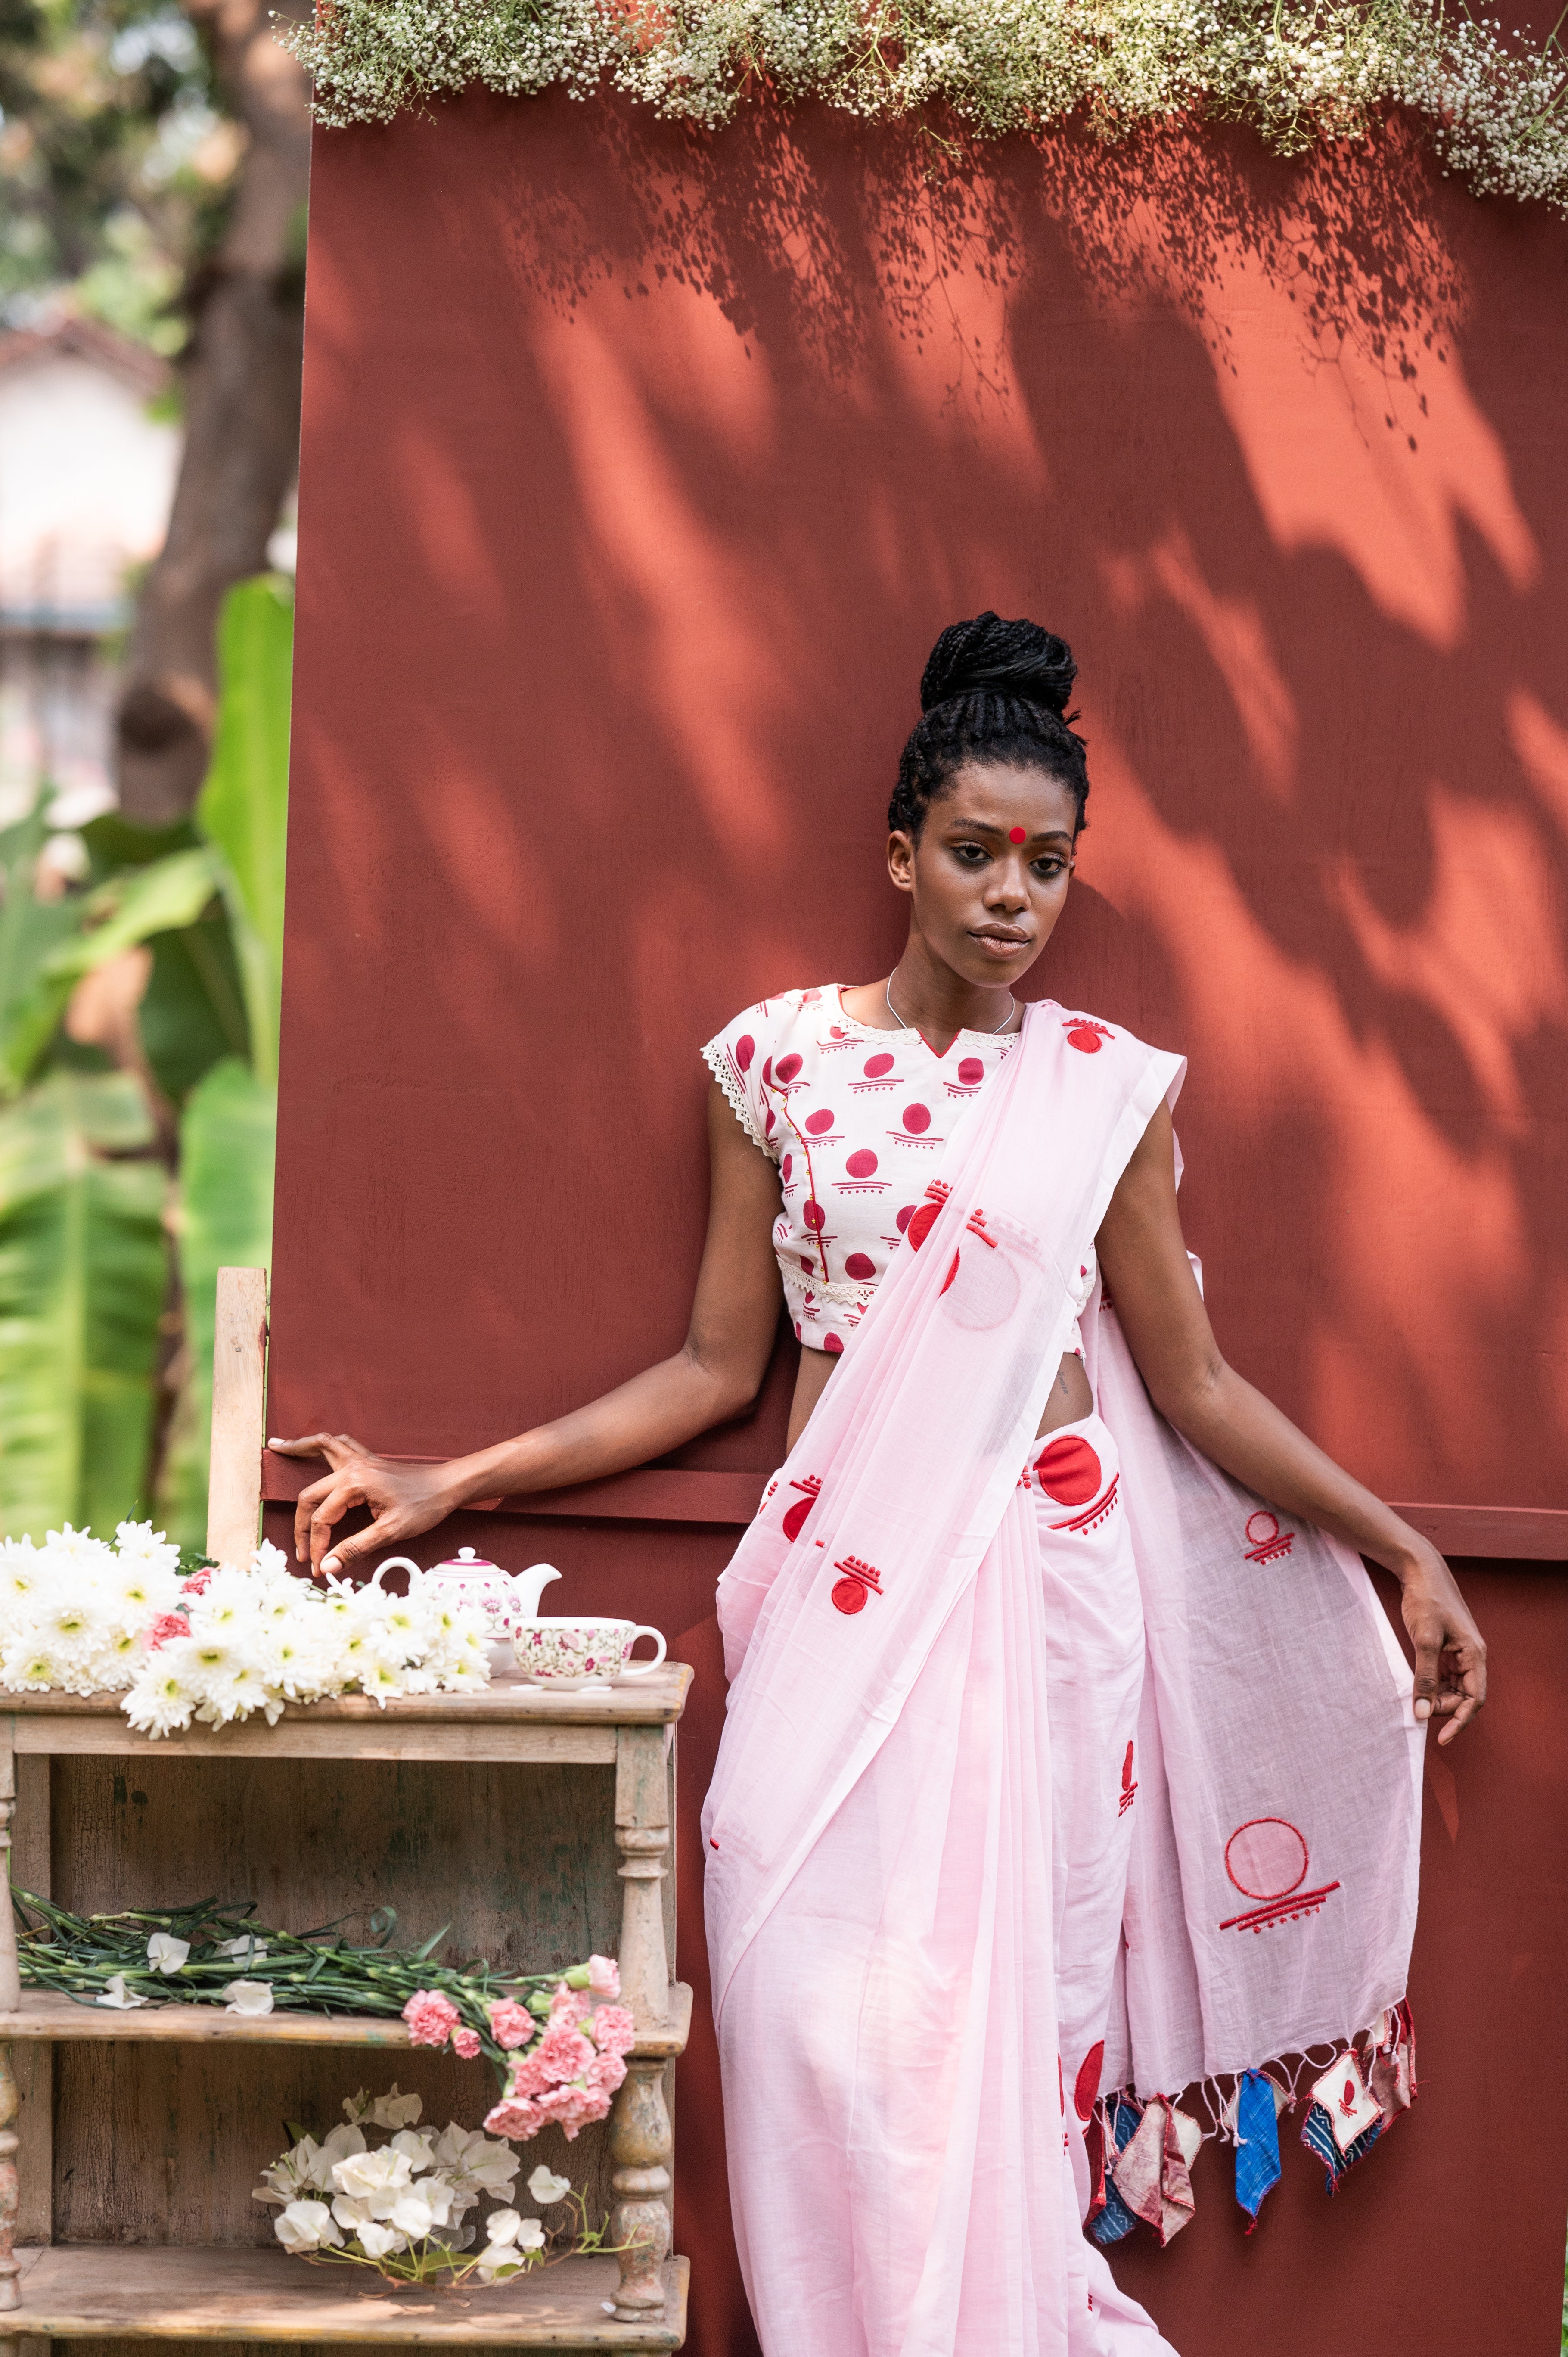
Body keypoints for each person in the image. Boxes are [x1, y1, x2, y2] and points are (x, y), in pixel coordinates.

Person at [273, 613, 1486, 2357]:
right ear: (899, 856)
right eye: (976, 855)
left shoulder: (1095, 1097)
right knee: (807, 1992)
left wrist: (1399, 1548)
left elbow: (1197, 1385)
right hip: (842, 1584)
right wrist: (452, 1476)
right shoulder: (771, 1063)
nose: (1012, 896)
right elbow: (713, 1368)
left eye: (1047, 866)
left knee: (997, 2009)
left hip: (1041, 1578)